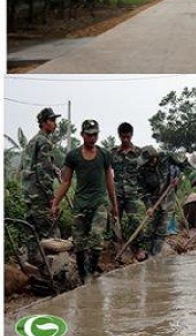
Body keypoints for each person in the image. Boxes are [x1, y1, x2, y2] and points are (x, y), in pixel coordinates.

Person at [51, 119, 117, 284]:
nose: (92, 137)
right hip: (81, 204)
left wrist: (114, 204)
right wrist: (55, 203)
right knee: (79, 244)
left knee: (96, 239)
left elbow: (110, 180)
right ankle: (83, 276)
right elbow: (66, 181)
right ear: (82, 135)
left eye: (95, 134)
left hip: (99, 204)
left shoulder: (104, 155)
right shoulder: (73, 155)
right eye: (89, 134)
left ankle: (90, 274)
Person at [21, 108, 62, 261]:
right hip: (39, 195)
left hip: (28, 193)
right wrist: (51, 197)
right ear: (44, 123)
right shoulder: (44, 142)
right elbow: (42, 172)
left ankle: (33, 262)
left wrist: (53, 167)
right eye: (52, 121)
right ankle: (54, 268)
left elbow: (31, 166)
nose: (55, 124)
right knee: (52, 232)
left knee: (31, 230)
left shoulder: (33, 141)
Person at [137, 146, 187, 256]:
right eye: (148, 162)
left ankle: (156, 254)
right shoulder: (141, 170)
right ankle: (147, 252)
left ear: (156, 157)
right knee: (151, 227)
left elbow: (182, 162)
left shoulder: (166, 156)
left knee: (162, 229)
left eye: (152, 160)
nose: (150, 163)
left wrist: (177, 176)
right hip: (153, 199)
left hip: (167, 196)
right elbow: (142, 190)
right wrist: (149, 206)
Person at [112, 122, 147, 262]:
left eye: (127, 137)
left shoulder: (139, 153)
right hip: (117, 194)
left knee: (135, 221)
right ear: (119, 136)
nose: (125, 139)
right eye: (123, 137)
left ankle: (137, 249)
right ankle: (117, 250)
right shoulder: (113, 153)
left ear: (131, 135)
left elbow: (145, 173)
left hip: (133, 194)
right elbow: (106, 172)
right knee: (115, 222)